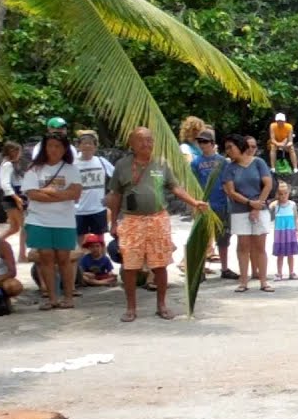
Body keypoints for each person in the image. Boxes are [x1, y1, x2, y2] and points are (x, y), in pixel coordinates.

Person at [107, 127, 208, 322]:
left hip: (158, 218)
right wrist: (113, 223)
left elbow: (175, 187)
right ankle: (131, 308)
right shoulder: (122, 165)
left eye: (149, 140)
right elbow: (116, 195)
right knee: (130, 266)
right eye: (141, 140)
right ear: (132, 144)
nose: (146, 144)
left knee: (160, 264)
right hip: (131, 220)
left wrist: (194, 202)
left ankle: (162, 305)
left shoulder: (161, 163)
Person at [22, 133, 81, 310]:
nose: (54, 150)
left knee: (64, 258)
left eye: (58, 146)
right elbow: (32, 194)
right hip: (39, 219)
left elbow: (76, 193)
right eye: (50, 146)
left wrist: (49, 191)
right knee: (45, 258)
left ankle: (68, 297)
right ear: (44, 148)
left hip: (64, 220)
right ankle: (52, 297)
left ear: (64, 149)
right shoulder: (34, 169)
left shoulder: (71, 170)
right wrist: (61, 195)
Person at [221, 133, 274, 292]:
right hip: (239, 210)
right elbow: (231, 191)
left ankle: (263, 281)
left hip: (260, 208)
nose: (229, 151)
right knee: (242, 245)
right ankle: (243, 280)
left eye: (231, 147)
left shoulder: (258, 162)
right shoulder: (230, 168)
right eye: (227, 148)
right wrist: (250, 203)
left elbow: (268, 184)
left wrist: (257, 206)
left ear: (240, 146)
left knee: (260, 246)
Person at [191, 129, 237, 279]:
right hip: (204, 204)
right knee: (203, 238)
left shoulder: (222, 161)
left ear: (212, 143)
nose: (202, 144)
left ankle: (224, 268)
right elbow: (193, 184)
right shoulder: (195, 163)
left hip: (221, 203)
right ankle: (201, 269)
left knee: (223, 237)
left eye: (204, 141)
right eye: (199, 142)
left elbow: (228, 181)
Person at [74, 132, 114, 246]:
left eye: (90, 143)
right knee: (80, 241)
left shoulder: (101, 161)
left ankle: (101, 263)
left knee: (100, 241)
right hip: (78, 210)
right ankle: (81, 263)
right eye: (84, 143)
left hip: (98, 208)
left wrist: (111, 193)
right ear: (79, 146)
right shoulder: (73, 164)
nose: (87, 146)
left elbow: (117, 177)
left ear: (95, 147)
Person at [0, 141, 28, 262]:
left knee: (14, 228)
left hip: (15, 196)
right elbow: (4, 184)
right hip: (12, 198)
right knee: (24, 227)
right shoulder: (7, 165)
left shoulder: (12, 165)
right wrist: (17, 198)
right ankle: (22, 254)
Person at [270, 181, 298, 280]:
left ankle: (291, 272)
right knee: (280, 254)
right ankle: (279, 273)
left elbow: (296, 218)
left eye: (285, 193)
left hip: (290, 232)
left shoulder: (292, 204)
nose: (283, 196)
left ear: (289, 193)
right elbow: (268, 210)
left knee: (290, 254)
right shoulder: (275, 205)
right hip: (280, 234)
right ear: (277, 194)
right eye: (280, 194)